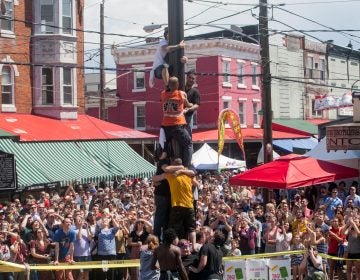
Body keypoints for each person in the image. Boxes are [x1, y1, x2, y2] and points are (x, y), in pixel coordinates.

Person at [152, 158, 197, 246]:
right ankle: (194, 246)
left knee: (174, 228)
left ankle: (174, 246)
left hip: (177, 205)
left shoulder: (170, 174)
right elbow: (197, 184)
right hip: (189, 206)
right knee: (191, 228)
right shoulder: (188, 175)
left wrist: (155, 182)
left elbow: (155, 178)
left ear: (173, 164)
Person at [160, 76, 193, 167]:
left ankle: (165, 151)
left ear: (169, 85)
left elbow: (166, 93)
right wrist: (191, 105)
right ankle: (187, 165)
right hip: (177, 124)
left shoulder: (163, 94)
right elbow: (188, 104)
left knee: (167, 139)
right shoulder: (181, 94)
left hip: (166, 125)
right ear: (178, 84)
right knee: (188, 143)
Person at [184, 71, 200, 136]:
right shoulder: (180, 88)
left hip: (188, 117)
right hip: (178, 116)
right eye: (189, 77)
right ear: (186, 78)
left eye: (193, 78)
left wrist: (189, 109)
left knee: (187, 137)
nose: (191, 79)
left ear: (195, 80)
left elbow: (197, 105)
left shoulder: (195, 92)